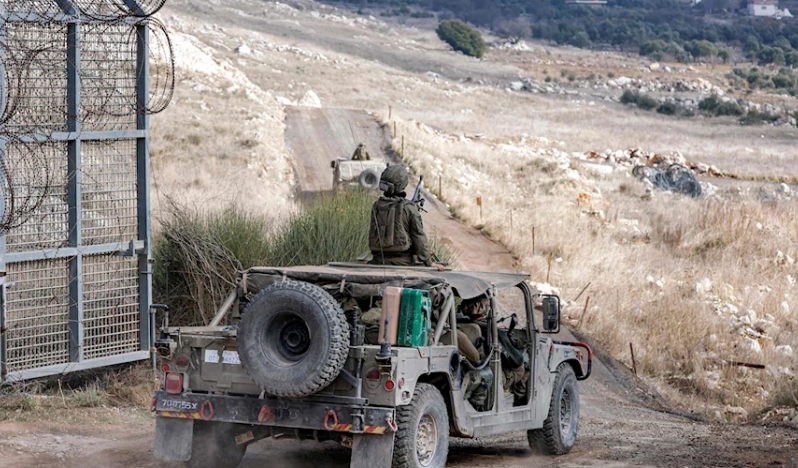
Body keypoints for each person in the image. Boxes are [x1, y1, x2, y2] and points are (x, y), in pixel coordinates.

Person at [369, 165, 444, 271]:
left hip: (378, 261)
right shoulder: (408, 208)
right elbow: (418, 236)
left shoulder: (376, 206)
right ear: (403, 184)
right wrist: (428, 262)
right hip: (403, 263)